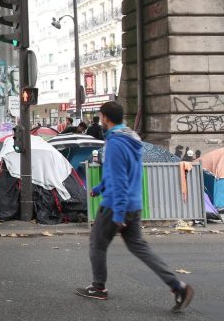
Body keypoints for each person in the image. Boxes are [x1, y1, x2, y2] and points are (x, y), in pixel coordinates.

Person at [76, 101, 194, 313]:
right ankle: (178, 286)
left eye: (101, 117)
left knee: (97, 243)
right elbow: (121, 173)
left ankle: (98, 287)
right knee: (140, 247)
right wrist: (99, 187)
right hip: (133, 202)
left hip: (115, 205)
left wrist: (118, 213)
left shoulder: (114, 143)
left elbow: (119, 178)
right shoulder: (132, 139)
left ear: (104, 117)